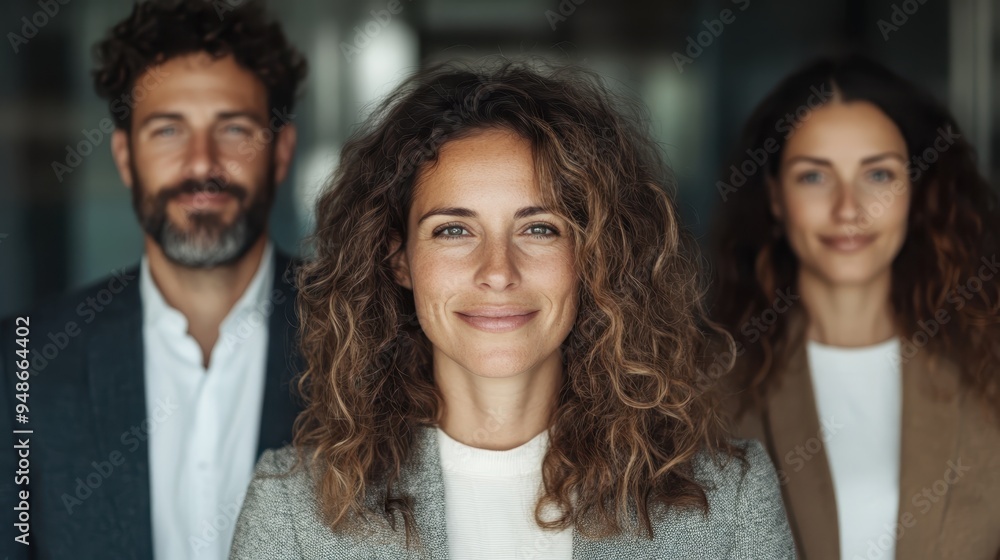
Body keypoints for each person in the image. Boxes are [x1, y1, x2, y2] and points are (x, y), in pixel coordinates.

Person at [228, 61, 795, 559]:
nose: (498, 270)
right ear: (398, 259)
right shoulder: (292, 508)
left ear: (594, 255)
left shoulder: (727, 498)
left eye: (540, 228)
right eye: (453, 230)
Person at [0, 1, 308, 558]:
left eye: (234, 128)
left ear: (280, 153)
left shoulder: (373, 337)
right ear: (124, 157)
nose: (201, 164)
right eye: (168, 130)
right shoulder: (22, 360)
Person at [712, 54, 1000, 559]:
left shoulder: (987, 364)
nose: (849, 209)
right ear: (775, 197)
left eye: (879, 175)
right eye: (814, 177)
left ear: (916, 190)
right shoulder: (707, 384)